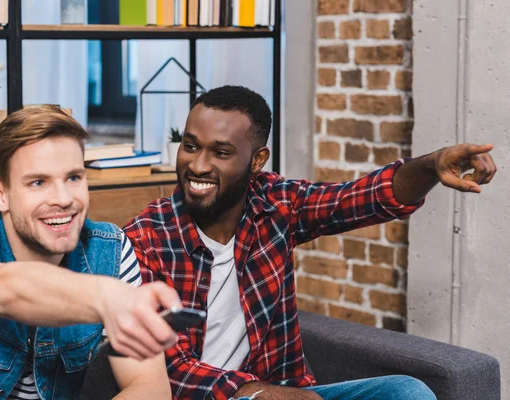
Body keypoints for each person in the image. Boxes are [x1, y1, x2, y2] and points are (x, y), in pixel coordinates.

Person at [123, 85, 497, 400]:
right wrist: (257, 393)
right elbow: (168, 368)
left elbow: (360, 198)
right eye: (190, 146)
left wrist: (431, 165)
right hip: (221, 396)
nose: (198, 165)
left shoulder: (275, 204)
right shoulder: (145, 239)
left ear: (257, 161)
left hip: (285, 391)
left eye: (220, 153)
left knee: (407, 392)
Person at [0, 105, 182, 400]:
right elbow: (1, 289)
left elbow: (149, 386)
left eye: (74, 178)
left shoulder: (110, 251)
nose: (64, 199)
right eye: (38, 182)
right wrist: (108, 297)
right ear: (0, 195)